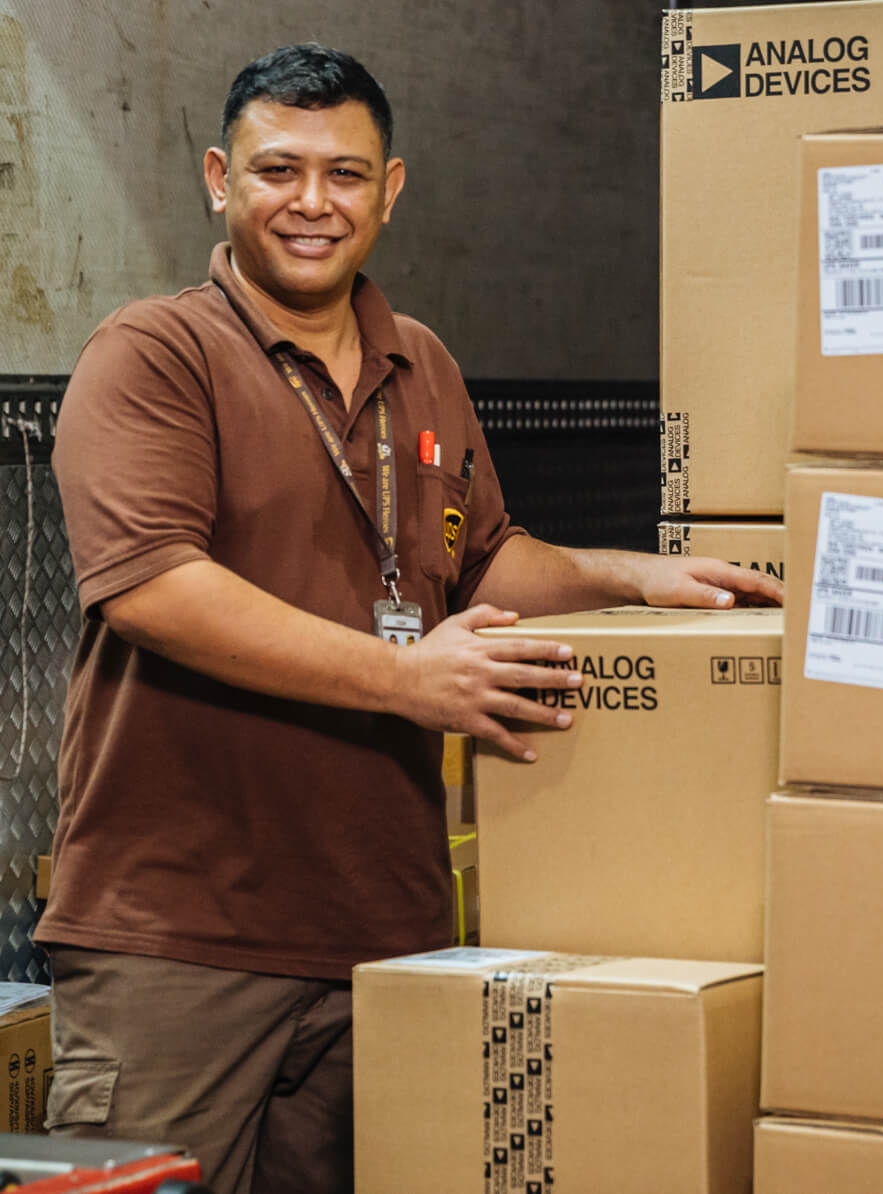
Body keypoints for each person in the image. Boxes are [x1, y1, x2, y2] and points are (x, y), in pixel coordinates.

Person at [36, 44, 781, 1194]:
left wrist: (630, 575)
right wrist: (407, 683)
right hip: (181, 939)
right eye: (278, 170)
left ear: (391, 191)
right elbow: (152, 587)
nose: (311, 203)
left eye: (346, 174)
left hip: (387, 936)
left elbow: (480, 561)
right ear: (216, 179)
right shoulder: (156, 355)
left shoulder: (419, 360)